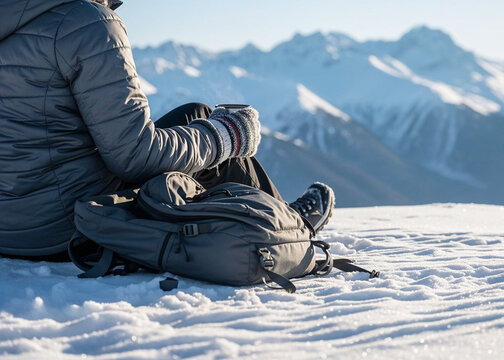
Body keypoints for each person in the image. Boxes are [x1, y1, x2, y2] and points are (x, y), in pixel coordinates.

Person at [0, 0, 335, 260]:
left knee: (193, 116)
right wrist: (228, 135)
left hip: (9, 229)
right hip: (71, 228)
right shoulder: (87, 23)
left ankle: (279, 220)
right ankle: (288, 231)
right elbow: (134, 156)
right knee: (210, 134)